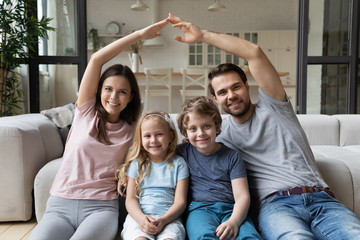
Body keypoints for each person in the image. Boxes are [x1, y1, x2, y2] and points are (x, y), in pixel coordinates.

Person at [169, 14, 360, 240]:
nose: (231, 96)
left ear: (247, 86)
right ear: (215, 98)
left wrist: (203, 35)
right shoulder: (217, 131)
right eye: (222, 92)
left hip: (322, 199)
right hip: (276, 206)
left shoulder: (275, 105)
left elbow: (255, 53)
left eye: (236, 87)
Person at [29, 18, 169, 240]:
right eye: (108, 89)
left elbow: (159, 142)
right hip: (60, 205)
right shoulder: (85, 112)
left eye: (123, 92)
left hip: (101, 208)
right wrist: (139, 34)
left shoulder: (133, 127)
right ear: (99, 91)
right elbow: (96, 59)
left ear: (131, 96)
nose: (114, 97)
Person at [177, 96, 262, 240]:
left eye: (206, 126)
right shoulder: (182, 152)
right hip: (199, 210)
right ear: (185, 133)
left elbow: (242, 196)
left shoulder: (232, 156)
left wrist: (234, 221)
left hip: (231, 210)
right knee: (203, 236)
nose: (200, 133)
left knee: (249, 236)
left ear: (217, 127)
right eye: (193, 129)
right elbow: (154, 155)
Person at [117, 110, 189, 240]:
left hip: (170, 218)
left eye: (159, 134)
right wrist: (141, 219)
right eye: (147, 136)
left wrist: (164, 220)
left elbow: (180, 202)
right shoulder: (136, 164)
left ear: (171, 136)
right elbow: (131, 199)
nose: (153, 140)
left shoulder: (179, 164)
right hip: (139, 217)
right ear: (141, 138)